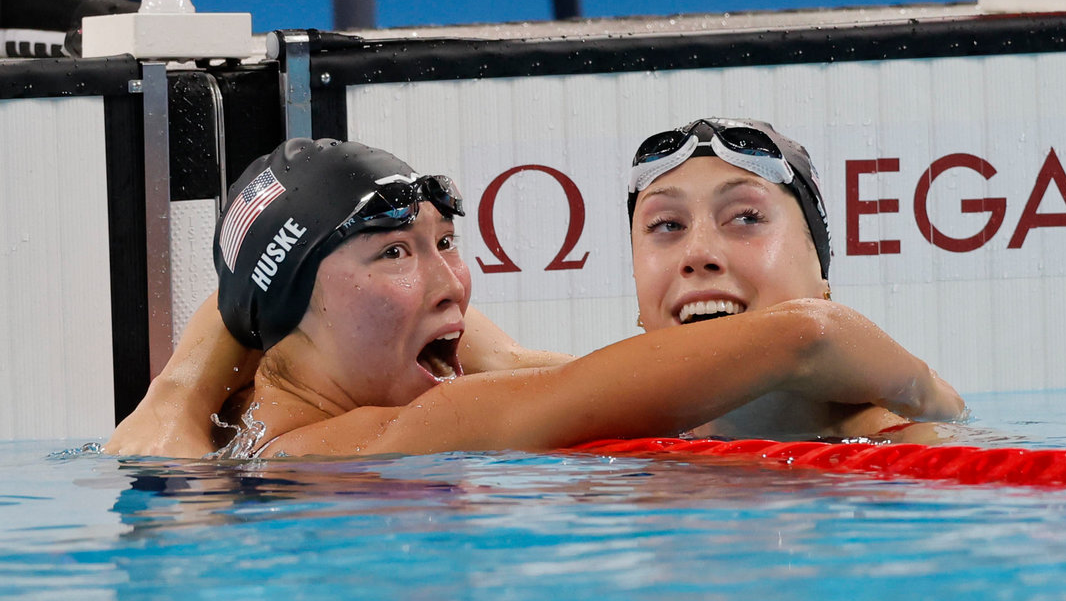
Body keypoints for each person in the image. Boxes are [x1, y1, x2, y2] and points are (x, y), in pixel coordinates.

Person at [106, 137, 962, 458]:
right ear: (293, 310)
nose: (452, 282)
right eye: (396, 252)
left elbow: (521, 365)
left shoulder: (260, 402)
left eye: (447, 243)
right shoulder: (378, 437)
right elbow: (806, 338)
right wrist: (929, 394)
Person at [625, 117, 944, 442]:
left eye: (746, 218)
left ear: (821, 270)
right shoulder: (605, 446)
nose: (698, 254)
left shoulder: (912, 449)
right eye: (667, 225)